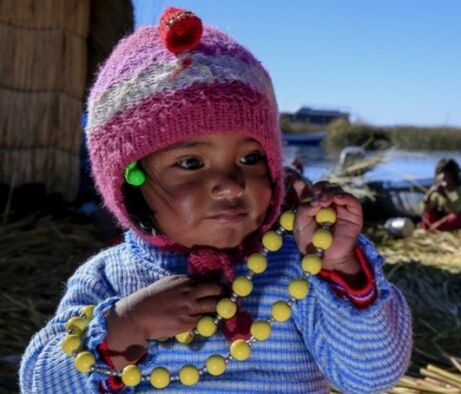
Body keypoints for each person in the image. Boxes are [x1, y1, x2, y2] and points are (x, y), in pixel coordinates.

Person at [20, 7, 412, 393]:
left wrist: (341, 266)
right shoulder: (106, 278)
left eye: (251, 158)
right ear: (129, 181)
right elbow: (40, 383)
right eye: (191, 163)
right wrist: (128, 325)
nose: (230, 184)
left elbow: (372, 376)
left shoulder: (300, 265)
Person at [422, 158, 461, 231]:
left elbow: (454, 209)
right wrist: (429, 193)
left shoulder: (458, 191)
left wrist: (443, 194)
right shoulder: (437, 190)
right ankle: (433, 229)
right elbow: (426, 209)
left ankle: (433, 229)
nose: (443, 178)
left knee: (454, 218)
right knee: (428, 215)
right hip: (442, 221)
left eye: (446, 175)